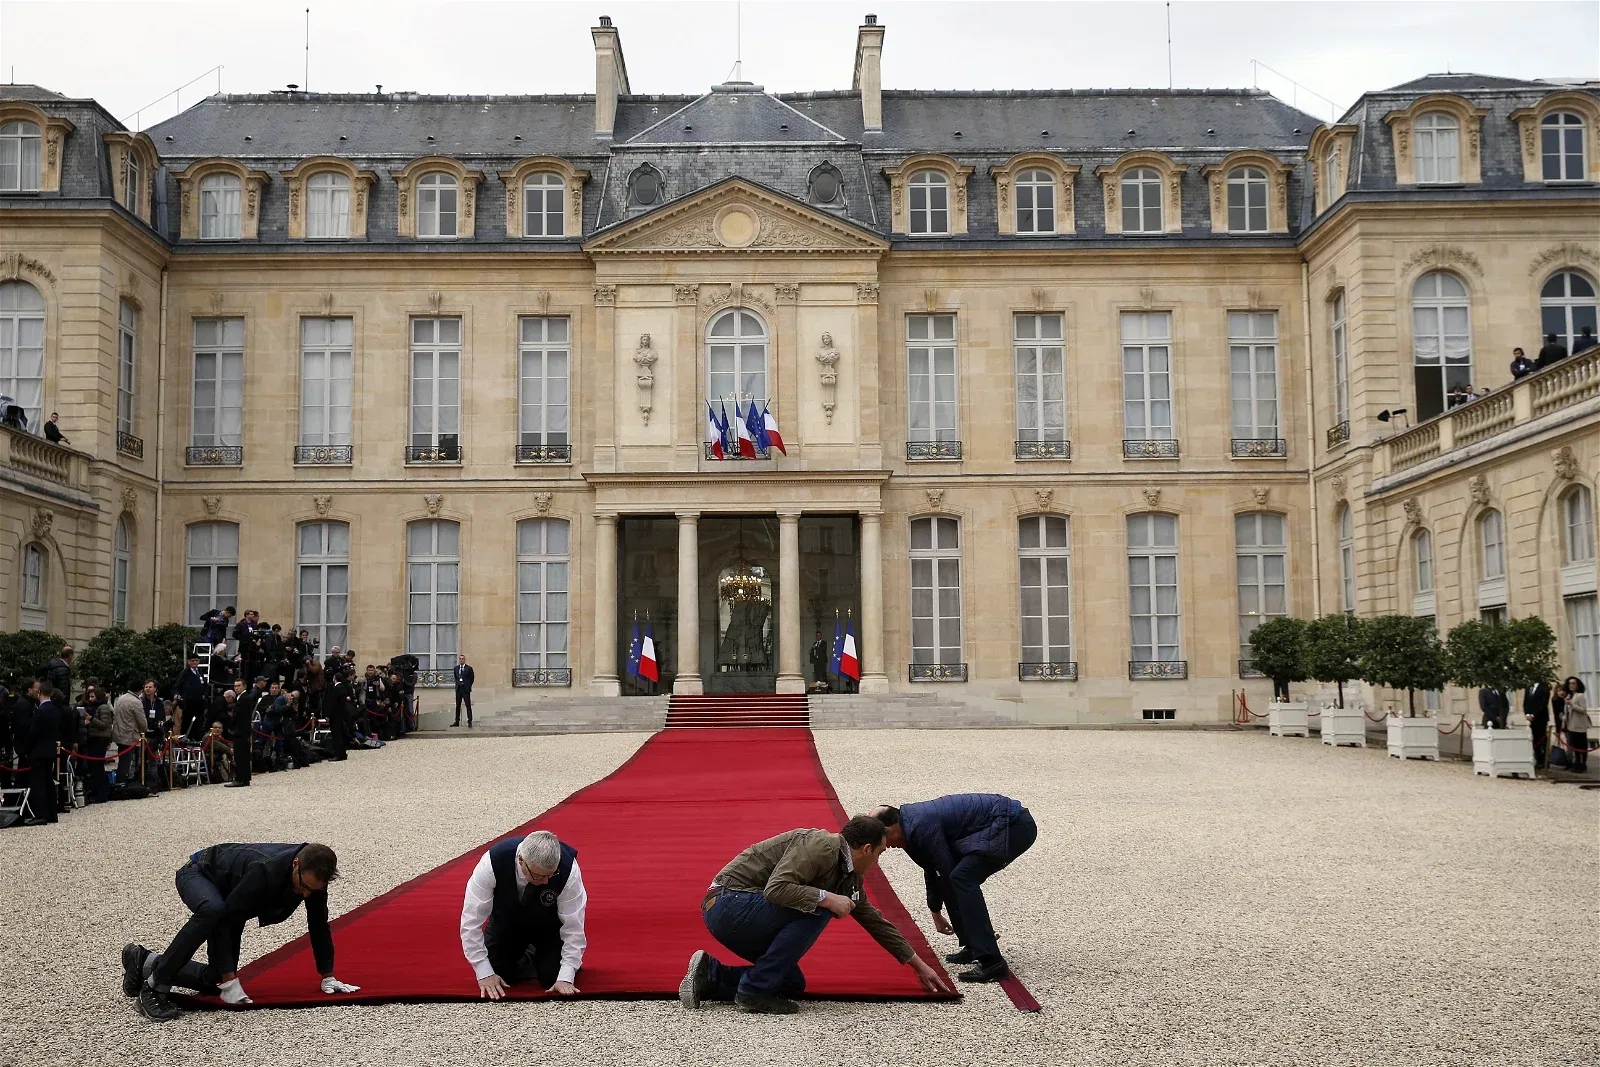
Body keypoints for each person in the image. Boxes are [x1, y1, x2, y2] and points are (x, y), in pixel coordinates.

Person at [679, 816, 950, 1015]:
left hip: (741, 912)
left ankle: (711, 975)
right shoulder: (822, 844)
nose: (877, 861)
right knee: (820, 908)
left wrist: (919, 965)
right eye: (879, 853)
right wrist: (827, 898)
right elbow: (776, 889)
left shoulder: (849, 876)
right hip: (727, 903)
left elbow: (874, 921)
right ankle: (753, 992)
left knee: (790, 982)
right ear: (866, 849)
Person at [121, 842, 360, 1021]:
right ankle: (154, 987)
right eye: (304, 887)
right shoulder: (264, 871)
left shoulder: (314, 878)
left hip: (228, 901)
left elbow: (318, 924)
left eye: (313, 890)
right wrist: (230, 976)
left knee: (215, 979)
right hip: (198, 872)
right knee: (212, 910)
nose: (306, 895)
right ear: (296, 864)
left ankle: (143, 960)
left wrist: (327, 974)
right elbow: (228, 919)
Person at [871, 794, 1038, 983]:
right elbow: (932, 868)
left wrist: (940, 909)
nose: (885, 846)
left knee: (961, 878)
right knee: (956, 878)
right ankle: (974, 946)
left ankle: (992, 962)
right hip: (1002, 822)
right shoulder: (909, 826)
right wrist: (935, 911)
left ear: (889, 829)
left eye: (880, 839)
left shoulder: (919, 827)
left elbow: (945, 869)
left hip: (1014, 825)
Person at [459, 830, 586, 1000]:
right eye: (539, 875)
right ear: (521, 860)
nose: (546, 882)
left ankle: (541, 955)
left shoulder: (568, 868)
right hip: (507, 923)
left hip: (549, 927)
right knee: (498, 972)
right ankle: (528, 955)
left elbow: (574, 925)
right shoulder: (491, 863)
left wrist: (566, 975)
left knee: (552, 977)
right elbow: (471, 921)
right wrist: (483, 972)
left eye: (551, 875)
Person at [19, 683, 60, 825]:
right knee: (48, 782)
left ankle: (40, 814)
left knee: (38, 784)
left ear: (39, 693)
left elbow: (33, 733)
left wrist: (27, 749)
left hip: (39, 751)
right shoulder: (54, 710)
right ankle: (52, 813)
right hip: (50, 750)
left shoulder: (40, 711)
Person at [226, 677, 266, 788]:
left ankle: (240, 778)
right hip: (244, 730)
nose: (236, 688)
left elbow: (237, 715)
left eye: (238, 686)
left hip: (241, 730)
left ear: (244, 686)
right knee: (243, 755)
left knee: (240, 756)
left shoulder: (243, 698)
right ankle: (245, 778)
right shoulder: (243, 698)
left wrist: (231, 726)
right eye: (235, 686)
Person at [81, 684, 114, 803]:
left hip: (100, 740)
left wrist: (90, 719)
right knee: (95, 767)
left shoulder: (103, 707)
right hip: (94, 739)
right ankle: (97, 792)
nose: (90, 699)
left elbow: (104, 725)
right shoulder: (94, 707)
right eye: (89, 697)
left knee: (98, 767)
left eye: (93, 696)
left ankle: (102, 793)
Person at [111, 686, 146, 785]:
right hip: (130, 734)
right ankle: (124, 781)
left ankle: (120, 780)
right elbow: (142, 721)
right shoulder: (136, 701)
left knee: (122, 760)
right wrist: (145, 729)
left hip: (119, 733)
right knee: (128, 760)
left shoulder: (121, 698)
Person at [1561, 676, 1590, 773]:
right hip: (1571, 725)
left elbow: (1583, 710)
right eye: (1569, 683)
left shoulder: (1580, 696)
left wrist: (1572, 704)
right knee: (1575, 746)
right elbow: (1567, 711)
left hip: (1579, 725)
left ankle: (1583, 765)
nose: (1571, 685)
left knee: (1582, 746)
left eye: (1573, 683)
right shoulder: (1569, 696)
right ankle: (1576, 763)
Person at [1524, 680, 1553, 770]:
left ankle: (1544, 761)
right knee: (1534, 740)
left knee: (1541, 739)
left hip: (1541, 718)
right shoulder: (1529, 688)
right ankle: (1537, 759)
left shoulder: (1544, 688)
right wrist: (1527, 714)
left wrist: (1533, 715)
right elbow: (1525, 702)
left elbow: (1543, 704)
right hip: (1531, 720)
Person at [453, 653, 475, 727]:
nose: (461, 660)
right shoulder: (456, 668)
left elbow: (472, 678)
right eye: (460, 659)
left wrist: (468, 686)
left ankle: (470, 720)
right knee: (457, 706)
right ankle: (457, 721)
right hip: (459, 689)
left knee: (468, 705)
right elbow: (456, 678)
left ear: (464, 660)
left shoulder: (469, 668)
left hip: (465, 689)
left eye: (462, 659)